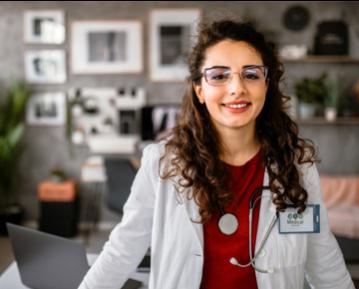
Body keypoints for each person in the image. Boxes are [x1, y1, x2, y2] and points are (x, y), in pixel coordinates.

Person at [78, 20, 354, 289]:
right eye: (219, 75)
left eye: (251, 74)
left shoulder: (296, 164)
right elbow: (123, 249)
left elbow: (322, 256)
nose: (237, 88)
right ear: (199, 89)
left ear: (267, 85)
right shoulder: (162, 163)